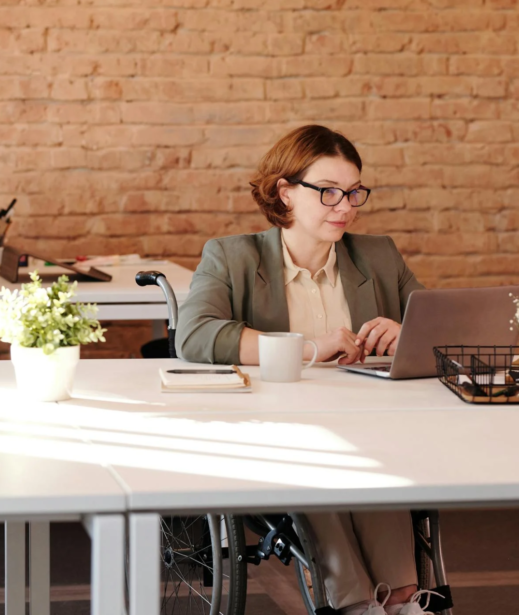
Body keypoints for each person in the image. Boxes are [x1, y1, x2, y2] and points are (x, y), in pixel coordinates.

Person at [176, 125, 435, 615]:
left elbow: (437, 329)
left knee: (373, 462)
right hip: (276, 433)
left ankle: (401, 600)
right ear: (286, 191)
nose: (347, 206)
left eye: (354, 191)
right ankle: (357, 602)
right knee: (323, 463)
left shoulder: (377, 256)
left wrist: (407, 333)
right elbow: (195, 336)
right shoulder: (233, 256)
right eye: (330, 192)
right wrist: (309, 347)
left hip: (369, 428)